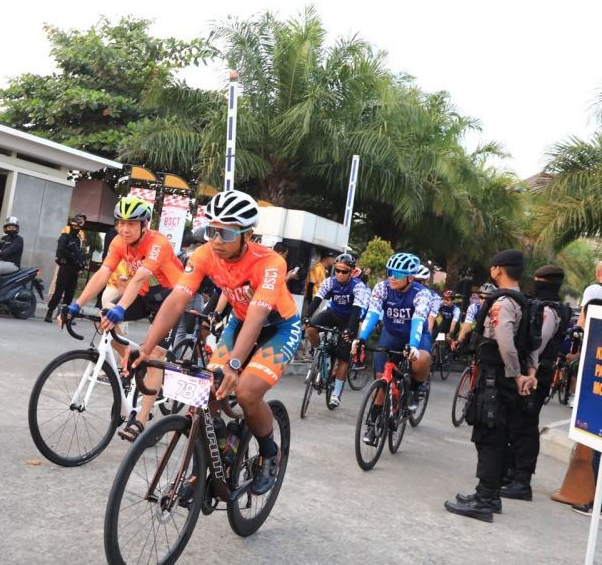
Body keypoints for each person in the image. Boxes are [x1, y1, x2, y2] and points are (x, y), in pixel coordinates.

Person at [129, 190, 300, 495]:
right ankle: (220, 452)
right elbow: (177, 300)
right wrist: (145, 348)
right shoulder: (204, 254)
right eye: (211, 230)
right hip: (238, 323)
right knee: (206, 388)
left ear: (247, 233)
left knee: (246, 392)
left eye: (226, 232)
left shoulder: (270, 262)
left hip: (278, 327)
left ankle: (269, 454)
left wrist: (235, 363)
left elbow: (259, 314)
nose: (216, 239)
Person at [61, 195, 183, 440]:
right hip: (145, 295)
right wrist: (76, 304)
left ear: (144, 225)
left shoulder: (158, 243)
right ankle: (128, 355)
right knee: (105, 320)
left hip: (171, 297)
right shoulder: (118, 242)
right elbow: (103, 273)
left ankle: (140, 421)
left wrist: (121, 307)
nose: (124, 228)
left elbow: (139, 278)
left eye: (131, 223)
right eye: (120, 223)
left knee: (156, 354)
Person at [445, 249, 538, 522]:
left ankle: (485, 500)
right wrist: (528, 372)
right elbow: (531, 344)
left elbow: (506, 342)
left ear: (499, 269)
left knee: (490, 437)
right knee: (495, 435)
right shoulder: (524, 301)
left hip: (496, 379)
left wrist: (517, 374)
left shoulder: (502, 303)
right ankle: (489, 494)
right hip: (504, 379)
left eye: (493, 266)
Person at [499, 264, 568, 500]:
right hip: (533, 371)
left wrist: (528, 373)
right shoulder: (543, 306)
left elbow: (538, 343)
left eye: (538, 280)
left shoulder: (549, 310)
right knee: (515, 421)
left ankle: (522, 481)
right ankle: (510, 472)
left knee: (526, 425)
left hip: (537, 373)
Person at [354, 252, 435, 446]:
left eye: (397, 274)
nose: (392, 277)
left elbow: (418, 320)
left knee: (422, 359)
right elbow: (373, 314)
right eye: (390, 272)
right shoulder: (382, 287)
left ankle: (415, 390)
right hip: (390, 335)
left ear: (410, 277)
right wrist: (361, 338)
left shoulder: (422, 294)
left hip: (414, 336)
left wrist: (413, 346)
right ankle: (373, 425)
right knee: (383, 379)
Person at [303, 252, 371, 408]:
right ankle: (318, 350)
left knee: (343, 359)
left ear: (351, 272)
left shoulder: (358, 286)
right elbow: (317, 299)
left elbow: (356, 311)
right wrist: (307, 316)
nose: (339, 274)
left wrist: (349, 329)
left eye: (344, 271)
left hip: (348, 320)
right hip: (332, 313)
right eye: (337, 270)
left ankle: (336, 393)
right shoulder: (330, 282)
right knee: (311, 328)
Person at [45, 216, 86, 322]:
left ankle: (64, 316)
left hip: (74, 269)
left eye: (78, 226)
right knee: (59, 292)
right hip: (65, 267)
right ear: (71, 225)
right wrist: (72, 257)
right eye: (74, 226)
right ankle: (49, 313)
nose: (76, 228)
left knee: (70, 294)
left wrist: (81, 265)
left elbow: (79, 254)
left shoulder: (78, 240)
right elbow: (60, 252)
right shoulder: (64, 237)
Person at [454, 283, 496, 352]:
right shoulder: (474, 307)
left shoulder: (496, 308)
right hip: (479, 331)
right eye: (481, 297)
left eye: (487, 298)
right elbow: (467, 326)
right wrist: (459, 341)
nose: (484, 300)